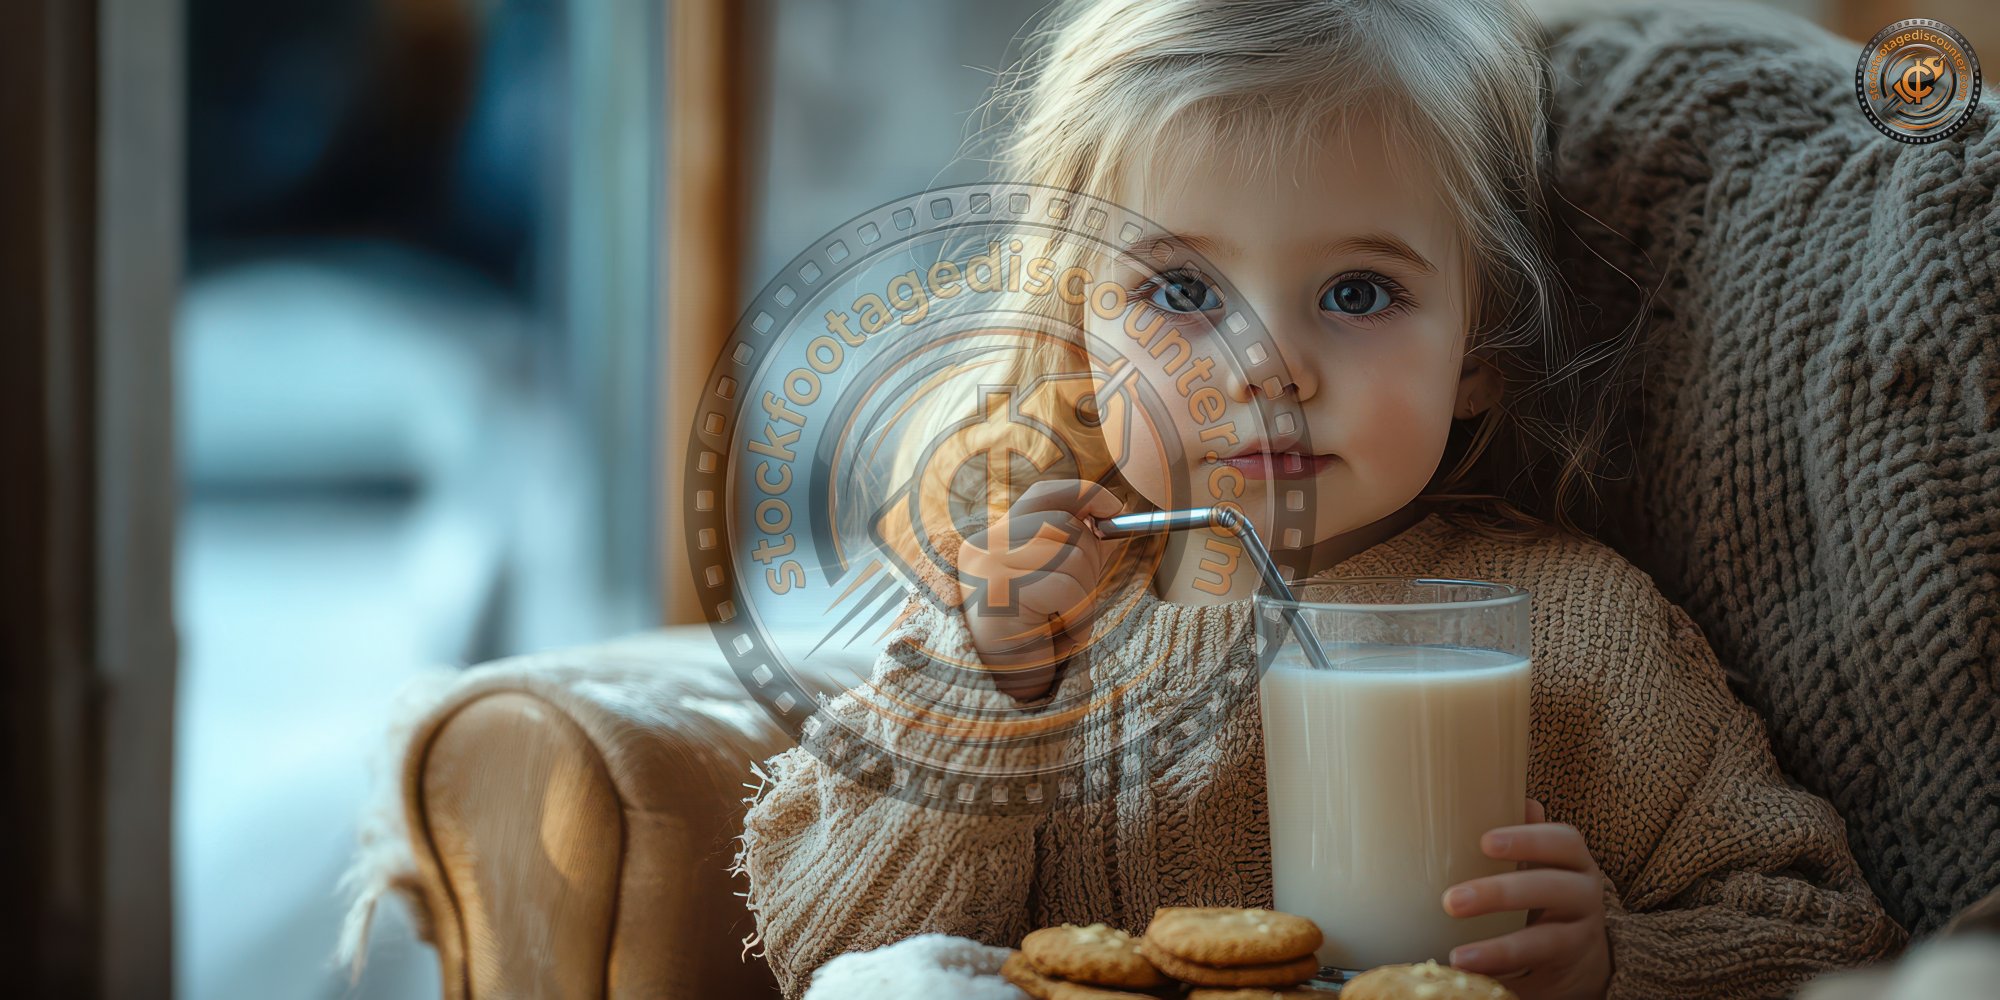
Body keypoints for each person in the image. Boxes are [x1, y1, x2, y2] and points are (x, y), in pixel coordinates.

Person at [735, 2, 1905, 998]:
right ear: (1076, 332)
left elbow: (1823, 934)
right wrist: (992, 693)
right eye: (1180, 287)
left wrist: (1615, 961)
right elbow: (828, 955)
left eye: (1355, 290)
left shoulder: (1573, 631)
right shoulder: (1013, 629)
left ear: (1478, 348)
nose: (1264, 366)